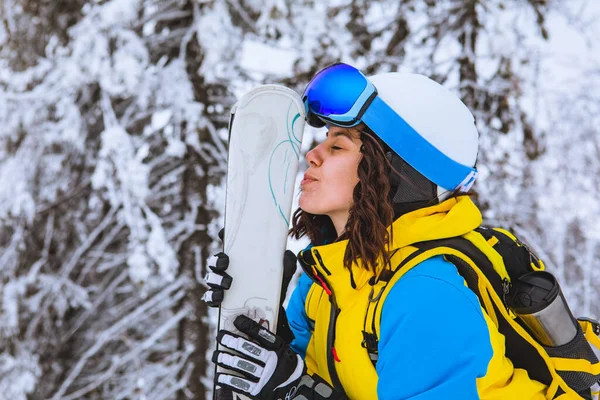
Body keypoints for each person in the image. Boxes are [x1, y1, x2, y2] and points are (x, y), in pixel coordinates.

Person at [203, 63, 553, 399]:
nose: (312, 154)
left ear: (394, 175)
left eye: (338, 145)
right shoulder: (328, 278)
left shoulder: (426, 293)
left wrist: (294, 392)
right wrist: (266, 324)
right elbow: (307, 374)